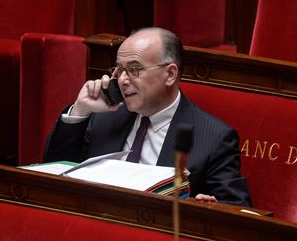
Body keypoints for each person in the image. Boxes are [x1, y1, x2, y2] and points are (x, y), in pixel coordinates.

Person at [43, 27, 251, 207]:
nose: (123, 80)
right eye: (119, 69)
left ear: (170, 74)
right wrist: (81, 112)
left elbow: (238, 210)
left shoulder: (214, 138)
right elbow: (54, 172)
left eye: (134, 69)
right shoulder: (104, 117)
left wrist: (208, 211)